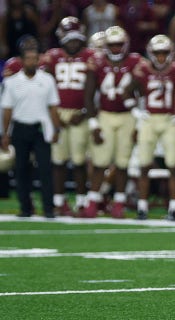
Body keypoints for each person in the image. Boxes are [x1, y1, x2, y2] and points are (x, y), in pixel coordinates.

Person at [81, 26, 142, 218]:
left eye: (119, 45)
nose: (115, 49)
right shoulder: (97, 63)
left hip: (127, 116)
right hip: (105, 114)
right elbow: (89, 95)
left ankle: (119, 203)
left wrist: (139, 119)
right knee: (100, 161)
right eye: (112, 45)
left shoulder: (136, 62)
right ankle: (93, 201)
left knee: (123, 163)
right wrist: (93, 123)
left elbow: (144, 89)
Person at [126, 35, 175, 220]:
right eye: (157, 53)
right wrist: (136, 111)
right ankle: (142, 207)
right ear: (151, 53)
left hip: (170, 120)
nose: (161, 57)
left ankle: (174, 208)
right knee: (144, 164)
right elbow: (126, 91)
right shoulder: (143, 70)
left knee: (173, 166)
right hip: (149, 118)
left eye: (164, 53)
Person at [40, 17, 95, 216]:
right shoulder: (52, 57)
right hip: (58, 112)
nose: (73, 43)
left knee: (79, 161)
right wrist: (54, 115)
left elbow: (96, 89)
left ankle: (81, 202)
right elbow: (44, 87)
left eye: (76, 38)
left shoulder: (90, 56)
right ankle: (59, 201)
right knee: (58, 161)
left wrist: (85, 112)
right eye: (69, 38)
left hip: (81, 113)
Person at [1, 44, 61, 218]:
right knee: (20, 169)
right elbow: (7, 110)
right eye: (28, 58)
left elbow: (53, 107)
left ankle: (48, 208)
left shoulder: (47, 79)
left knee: (45, 168)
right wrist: (5, 133)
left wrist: (56, 128)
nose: (32, 62)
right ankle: (25, 208)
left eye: (35, 59)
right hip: (20, 127)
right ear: (21, 61)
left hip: (40, 128)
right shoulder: (12, 82)